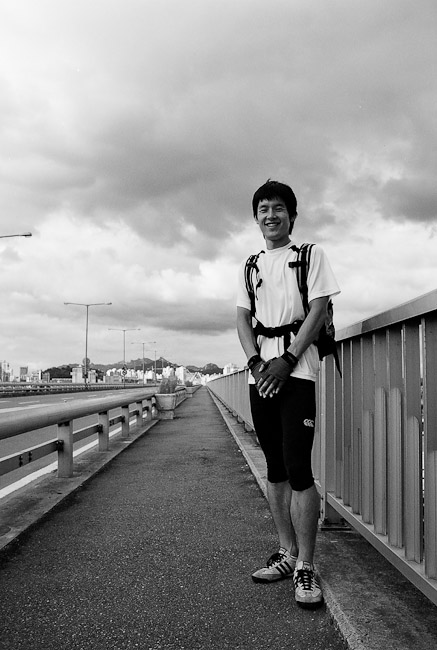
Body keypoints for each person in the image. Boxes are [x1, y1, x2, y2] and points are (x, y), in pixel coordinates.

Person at [236, 179, 340, 609]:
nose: (270, 215)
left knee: (298, 467)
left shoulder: (310, 255)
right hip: (260, 376)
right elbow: (242, 319)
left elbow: (317, 310)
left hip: (298, 372)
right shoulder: (250, 265)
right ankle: (286, 551)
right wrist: (256, 363)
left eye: (278, 208)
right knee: (275, 467)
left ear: (292, 216)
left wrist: (288, 358)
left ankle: (306, 566)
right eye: (263, 209)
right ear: (256, 217)